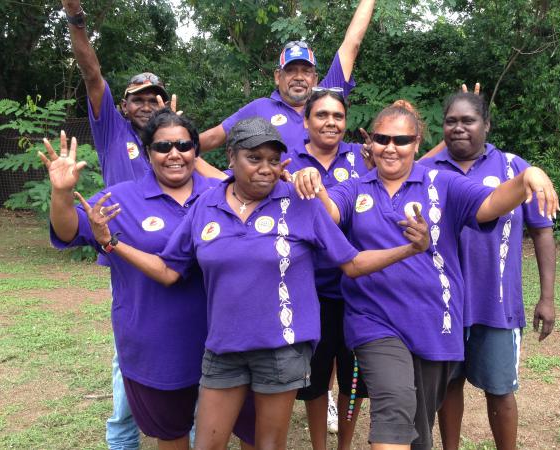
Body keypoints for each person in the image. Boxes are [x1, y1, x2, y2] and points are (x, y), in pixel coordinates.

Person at [81, 117, 430, 449]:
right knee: (208, 443)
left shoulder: (300, 204)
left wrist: (410, 249)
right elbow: (168, 270)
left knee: (268, 444)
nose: (265, 167)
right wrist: (112, 242)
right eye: (254, 158)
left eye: (273, 159)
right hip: (222, 349)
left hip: (282, 349)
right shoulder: (206, 205)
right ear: (231, 157)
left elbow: (352, 263)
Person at [293, 100, 559, 450]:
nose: (390, 147)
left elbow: (492, 203)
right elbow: (329, 208)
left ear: (417, 142)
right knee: (395, 403)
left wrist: (529, 176)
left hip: (434, 323)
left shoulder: (442, 183)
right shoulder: (357, 188)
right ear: (370, 142)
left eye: (400, 140)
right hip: (373, 321)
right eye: (382, 139)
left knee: (420, 426)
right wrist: (312, 182)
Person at [41, 111, 255, 450]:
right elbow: (69, 231)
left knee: (230, 433)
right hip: (157, 349)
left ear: (196, 151)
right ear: (147, 153)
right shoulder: (121, 199)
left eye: (184, 145)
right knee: (172, 436)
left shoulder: (223, 193)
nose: (174, 153)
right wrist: (62, 194)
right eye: (163, 146)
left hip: (226, 344)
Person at [61, 1, 177, 447]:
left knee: (186, 341)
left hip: (174, 255)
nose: (146, 105)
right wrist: (76, 20)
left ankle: (184, 429)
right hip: (123, 257)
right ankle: (123, 438)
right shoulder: (111, 130)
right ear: (124, 105)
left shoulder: (173, 144)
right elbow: (92, 74)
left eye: (155, 99)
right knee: (126, 351)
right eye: (138, 99)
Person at [421, 93, 556, 450]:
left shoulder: (514, 168)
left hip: (496, 306)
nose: (459, 128)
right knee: (449, 386)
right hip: (444, 305)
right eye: (451, 121)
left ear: (487, 125)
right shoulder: (428, 172)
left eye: (469, 121)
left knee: (500, 390)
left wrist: (547, 298)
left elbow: (542, 232)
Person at [286, 88, 370, 450]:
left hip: (358, 290)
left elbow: (411, 160)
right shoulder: (286, 161)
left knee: (353, 377)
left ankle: (345, 446)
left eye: (337, 116)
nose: (330, 122)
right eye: (321, 115)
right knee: (316, 380)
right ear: (306, 122)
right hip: (309, 290)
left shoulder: (363, 158)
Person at [196, 0, 375, 155]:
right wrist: (172, 142)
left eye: (306, 71)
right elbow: (213, 138)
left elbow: (352, 43)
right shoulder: (259, 108)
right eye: (290, 71)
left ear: (315, 78)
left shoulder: (327, 97)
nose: (298, 77)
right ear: (277, 76)